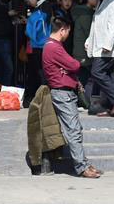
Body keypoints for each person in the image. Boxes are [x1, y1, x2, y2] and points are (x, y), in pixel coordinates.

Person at [41, 16, 102, 179]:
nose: (68, 34)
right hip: (63, 94)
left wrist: (65, 69)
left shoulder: (51, 46)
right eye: (68, 31)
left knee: (73, 129)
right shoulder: (54, 47)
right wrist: (67, 68)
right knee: (73, 130)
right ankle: (81, 167)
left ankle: (84, 163)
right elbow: (74, 65)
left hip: (64, 93)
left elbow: (68, 66)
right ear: (62, 30)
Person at [23, 0, 53, 106]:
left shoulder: (43, 8)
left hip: (39, 45)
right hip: (42, 45)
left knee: (39, 72)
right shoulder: (44, 7)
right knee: (39, 72)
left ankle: (41, 98)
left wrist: (28, 23)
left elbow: (35, 31)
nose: (28, 2)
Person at [71, 0, 99, 87]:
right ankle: (82, 100)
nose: (97, 0)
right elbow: (90, 34)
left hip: (80, 51)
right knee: (84, 79)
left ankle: (81, 100)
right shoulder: (85, 14)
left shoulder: (80, 12)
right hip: (83, 52)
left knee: (83, 78)